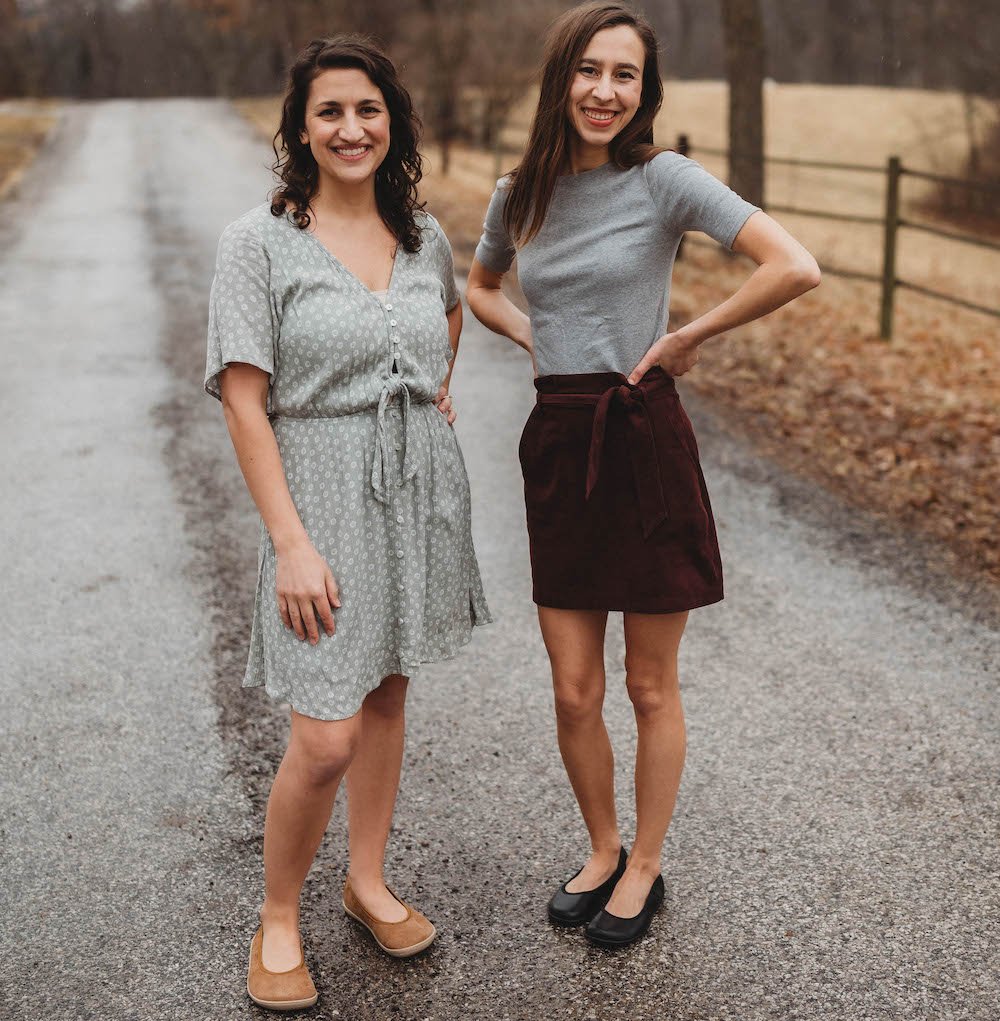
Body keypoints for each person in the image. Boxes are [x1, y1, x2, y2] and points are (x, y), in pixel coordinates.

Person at [467, 1, 819, 949]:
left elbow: (795, 265)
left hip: (643, 437)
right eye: (590, 70)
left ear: (644, 93)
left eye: (625, 75)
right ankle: (602, 845)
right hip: (558, 439)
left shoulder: (666, 181)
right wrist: (533, 335)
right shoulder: (520, 193)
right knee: (573, 687)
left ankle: (648, 867)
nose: (605, 91)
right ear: (561, 79)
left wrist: (690, 335)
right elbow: (480, 285)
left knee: (650, 685)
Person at [205, 35, 491, 1010]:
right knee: (324, 736)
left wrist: (432, 391)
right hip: (316, 498)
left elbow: (445, 319)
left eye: (366, 110)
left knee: (385, 696)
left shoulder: (423, 238)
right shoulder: (258, 241)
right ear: (300, 129)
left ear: (392, 123)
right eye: (328, 111)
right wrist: (289, 539)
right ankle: (279, 916)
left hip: (411, 491)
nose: (350, 127)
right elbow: (244, 400)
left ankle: (366, 883)